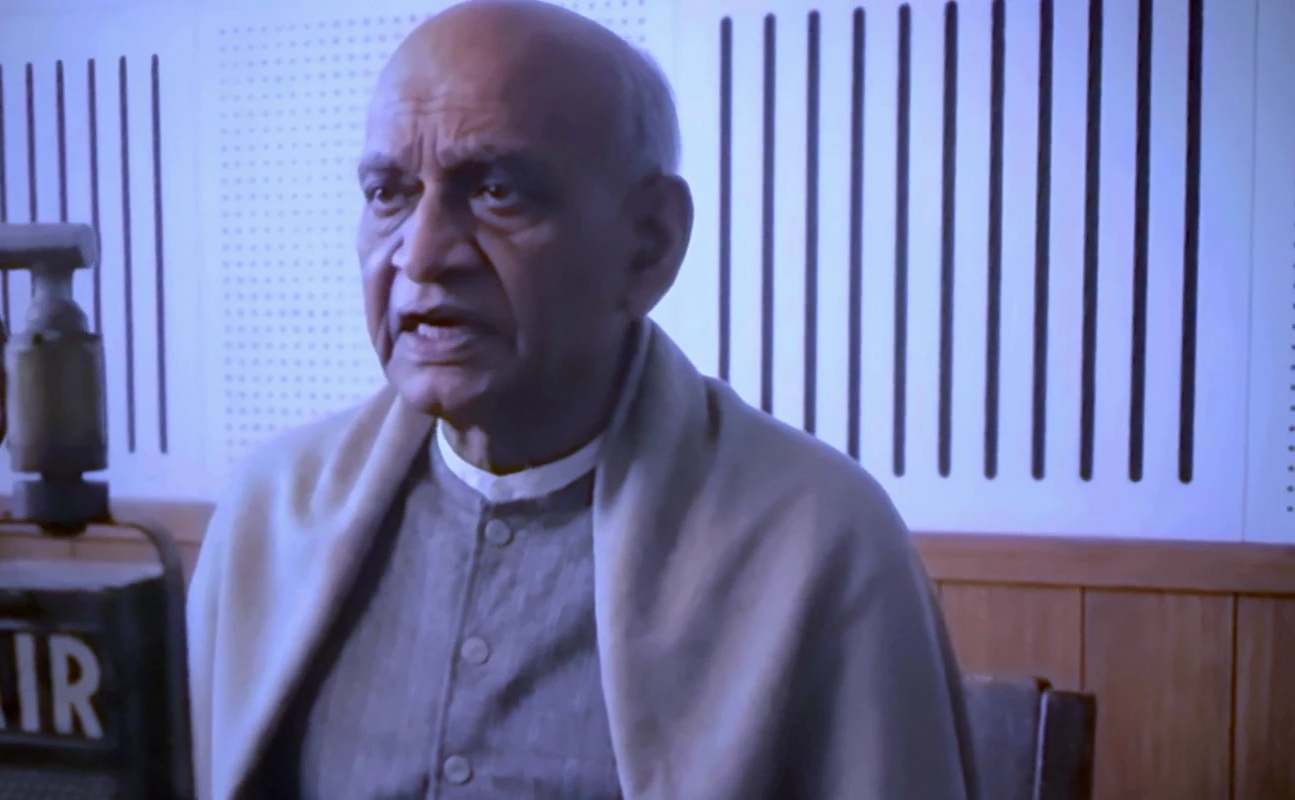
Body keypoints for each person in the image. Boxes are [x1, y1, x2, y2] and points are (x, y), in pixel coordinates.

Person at [185, 1, 979, 797]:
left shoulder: (820, 545)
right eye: (389, 193)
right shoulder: (270, 517)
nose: (421, 255)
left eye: (496, 190)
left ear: (649, 244)